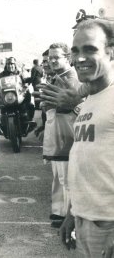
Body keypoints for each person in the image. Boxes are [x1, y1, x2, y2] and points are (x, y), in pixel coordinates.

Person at [44, 19, 114, 257]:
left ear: (110, 52)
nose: (80, 58)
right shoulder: (89, 100)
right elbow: (86, 163)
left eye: (90, 49)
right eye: (75, 51)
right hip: (85, 221)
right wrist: (71, 215)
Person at [42, 42, 81, 229]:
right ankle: (58, 212)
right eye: (50, 57)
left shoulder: (71, 78)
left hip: (67, 135)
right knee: (58, 176)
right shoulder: (57, 77)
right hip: (57, 134)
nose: (52, 60)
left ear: (68, 58)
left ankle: (68, 215)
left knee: (66, 178)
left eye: (57, 57)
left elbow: (76, 106)